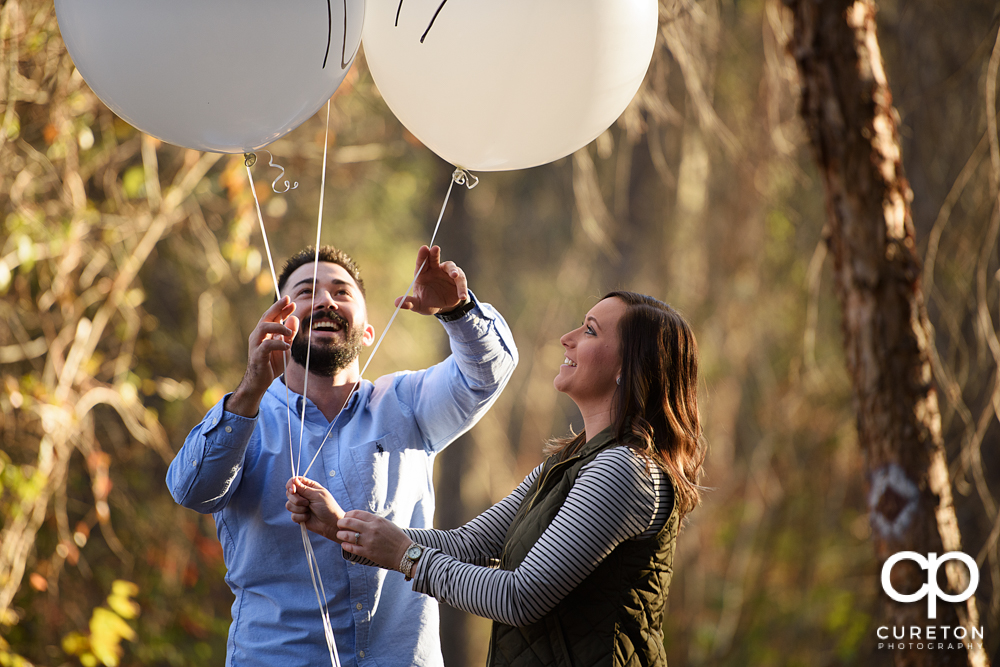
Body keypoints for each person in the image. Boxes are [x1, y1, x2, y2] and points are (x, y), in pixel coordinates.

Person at [287, 291, 707, 666]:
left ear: (627, 367)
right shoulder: (568, 462)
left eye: (591, 331)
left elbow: (520, 597)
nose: (568, 337)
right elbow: (471, 545)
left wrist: (405, 557)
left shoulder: (624, 470)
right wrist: (345, 529)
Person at [166, 244, 518, 667]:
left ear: (367, 331)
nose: (326, 300)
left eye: (342, 292)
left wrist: (458, 312)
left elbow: (488, 373)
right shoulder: (244, 416)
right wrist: (248, 391)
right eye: (306, 291)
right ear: (278, 322)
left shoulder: (406, 403)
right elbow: (191, 491)